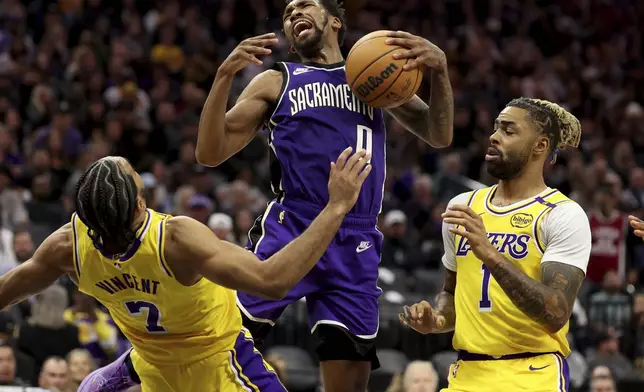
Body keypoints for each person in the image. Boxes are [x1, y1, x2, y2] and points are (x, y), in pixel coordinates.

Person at [196, 1, 454, 390]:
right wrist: (222, 78)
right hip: (294, 223)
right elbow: (209, 153)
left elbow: (439, 135)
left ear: (334, 20)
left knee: (349, 382)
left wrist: (440, 70)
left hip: (356, 235)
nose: (293, 12)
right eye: (287, 12)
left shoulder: (371, 76)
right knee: (216, 339)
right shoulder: (277, 79)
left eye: (305, 4)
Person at [0, 150, 372, 392]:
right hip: (217, 364)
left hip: (154, 365)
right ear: (139, 206)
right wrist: (336, 207)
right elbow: (272, 282)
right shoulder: (175, 240)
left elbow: (8, 291)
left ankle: (121, 370)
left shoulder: (68, 247)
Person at [399, 98, 592, 392]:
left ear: (540, 146)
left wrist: (489, 253)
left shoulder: (561, 214)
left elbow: (556, 313)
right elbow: (451, 293)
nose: (493, 136)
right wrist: (437, 320)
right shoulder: (463, 206)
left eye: (509, 130)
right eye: (495, 128)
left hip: (532, 374)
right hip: (466, 374)